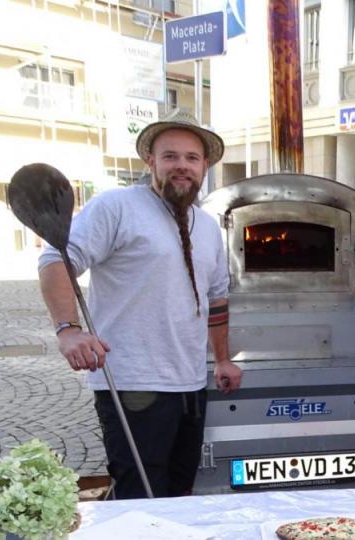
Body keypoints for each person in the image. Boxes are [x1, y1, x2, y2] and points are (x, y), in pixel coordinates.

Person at [37, 110, 243, 499]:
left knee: (180, 490)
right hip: (132, 382)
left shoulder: (208, 226)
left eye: (191, 158)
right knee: (139, 493)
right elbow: (56, 260)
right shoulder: (116, 207)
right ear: (150, 160)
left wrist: (222, 359)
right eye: (170, 156)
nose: (181, 166)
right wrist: (68, 329)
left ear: (205, 167)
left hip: (190, 382)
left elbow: (216, 299)